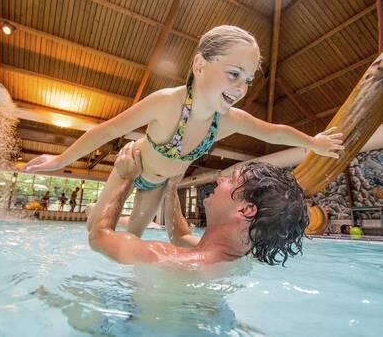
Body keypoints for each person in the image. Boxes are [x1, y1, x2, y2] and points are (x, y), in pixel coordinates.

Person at [24, 25, 343, 237]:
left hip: (157, 182)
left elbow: (273, 132)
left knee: (133, 234)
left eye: (247, 79)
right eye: (233, 73)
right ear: (200, 65)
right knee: (95, 230)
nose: (241, 87)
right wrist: (59, 161)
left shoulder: (228, 119)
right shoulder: (167, 103)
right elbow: (106, 131)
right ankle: (99, 209)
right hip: (131, 167)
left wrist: (312, 142)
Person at [88, 142, 309, 268]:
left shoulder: (168, 259)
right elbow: (180, 236)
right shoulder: (233, 258)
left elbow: (98, 237)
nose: (220, 179)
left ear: (245, 210)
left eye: (230, 180)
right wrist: (171, 189)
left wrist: (126, 178)